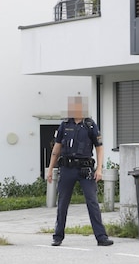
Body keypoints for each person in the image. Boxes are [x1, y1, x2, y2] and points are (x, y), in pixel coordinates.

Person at [45, 96, 113, 247]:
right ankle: (58, 236)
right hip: (67, 168)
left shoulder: (90, 125)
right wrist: (50, 169)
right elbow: (57, 148)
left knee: (92, 202)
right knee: (62, 202)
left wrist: (100, 169)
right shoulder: (64, 125)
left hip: (85, 169)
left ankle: (101, 237)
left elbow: (99, 148)